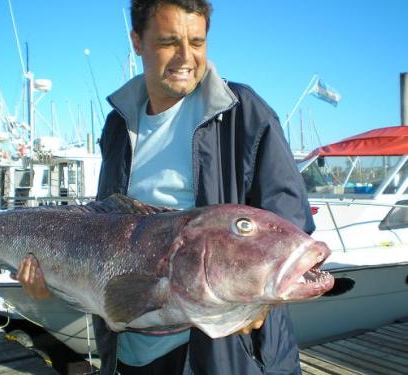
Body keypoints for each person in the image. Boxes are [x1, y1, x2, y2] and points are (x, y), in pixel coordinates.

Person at [16, 0, 315, 374]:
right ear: (137, 42)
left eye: (197, 41)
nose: (186, 57)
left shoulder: (244, 111)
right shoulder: (117, 124)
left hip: (225, 355)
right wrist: (53, 284)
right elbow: (102, 223)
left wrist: (263, 302)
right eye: (169, 42)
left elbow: (289, 221)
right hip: (129, 350)